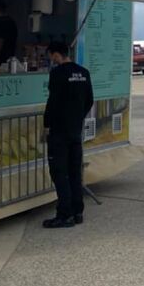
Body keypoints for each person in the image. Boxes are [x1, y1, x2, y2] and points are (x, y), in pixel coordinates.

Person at [43, 41, 94, 228]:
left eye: (50, 56)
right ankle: (77, 211)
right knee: (74, 172)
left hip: (59, 131)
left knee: (59, 172)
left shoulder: (57, 74)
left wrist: (47, 123)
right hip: (75, 129)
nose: (51, 60)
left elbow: (53, 101)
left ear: (56, 55)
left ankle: (64, 214)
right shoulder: (84, 73)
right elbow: (90, 100)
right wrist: (77, 117)